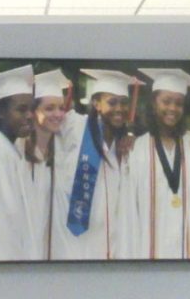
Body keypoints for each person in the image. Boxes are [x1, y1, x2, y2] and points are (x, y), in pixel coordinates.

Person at [51, 69, 140, 260]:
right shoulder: (75, 125)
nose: (119, 109)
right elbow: (46, 125)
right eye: (112, 102)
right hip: (75, 244)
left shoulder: (123, 148)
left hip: (111, 244)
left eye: (124, 103)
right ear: (96, 104)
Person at [131, 68, 190, 259]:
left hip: (189, 246)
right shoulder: (135, 149)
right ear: (154, 103)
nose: (172, 108)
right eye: (166, 101)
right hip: (148, 246)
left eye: (179, 103)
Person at [0, 65, 38, 261]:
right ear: (1, 112)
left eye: (32, 109)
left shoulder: (10, 148)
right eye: (21, 109)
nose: (30, 115)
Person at [17, 69, 71, 260]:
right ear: (33, 112)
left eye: (61, 108)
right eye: (49, 108)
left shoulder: (63, 153)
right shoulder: (18, 153)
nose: (58, 114)